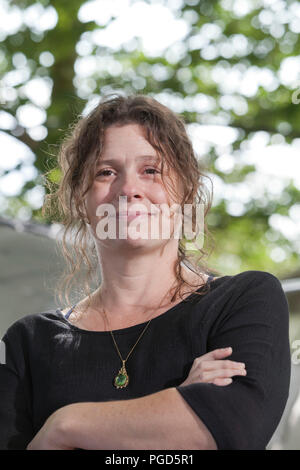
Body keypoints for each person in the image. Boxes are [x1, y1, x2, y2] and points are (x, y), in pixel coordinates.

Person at [0, 94, 291, 450]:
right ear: (81, 198)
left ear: (186, 191)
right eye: (106, 172)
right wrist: (176, 406)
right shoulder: (30, 342)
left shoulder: (241, 303)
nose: (129, 190)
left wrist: (63, 427)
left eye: (151, 170)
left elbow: (233, 431)